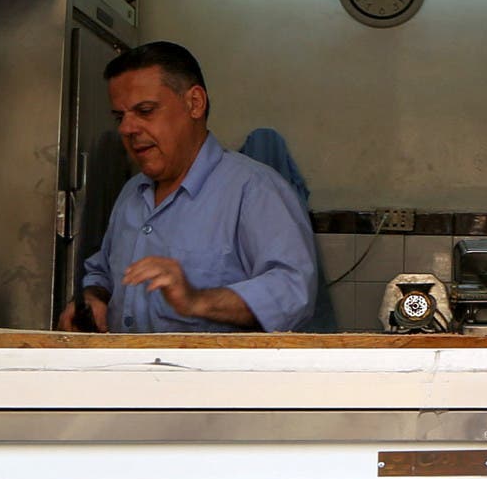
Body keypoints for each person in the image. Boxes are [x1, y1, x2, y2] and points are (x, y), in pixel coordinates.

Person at [59, 42, 321, 334]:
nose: (126, 129)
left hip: (210, 380)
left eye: (145, 111)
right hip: (127, 375)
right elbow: (103, 273)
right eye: (120, 117)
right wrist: (94, 297)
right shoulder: (132, 194)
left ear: (195, 103)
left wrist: (197, 300)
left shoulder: (254, 190)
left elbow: (294, 293)